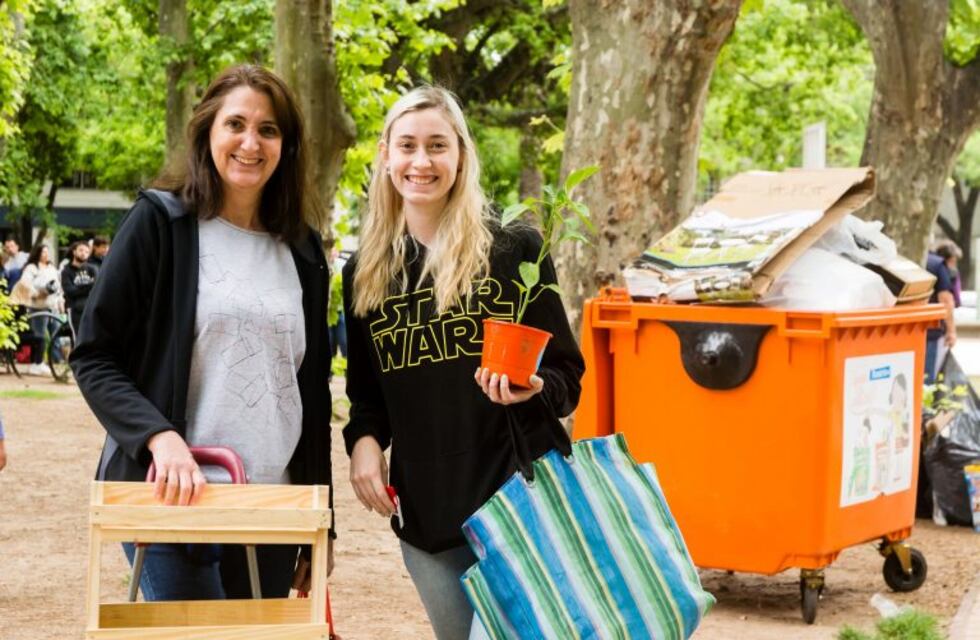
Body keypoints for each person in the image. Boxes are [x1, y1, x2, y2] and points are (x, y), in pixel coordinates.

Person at [70, 64, 333, 602]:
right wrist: (158, 436)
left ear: (286, 145)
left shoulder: (304, 251)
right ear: (208, 131)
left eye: (269, 129)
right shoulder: (159, 224)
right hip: (174, 497)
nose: (250, 142)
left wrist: (320, 524)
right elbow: (94, 355)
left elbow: (311, 394)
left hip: (272, 509)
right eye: (235, 124)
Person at [343, 86, 584, 640]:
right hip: (426, 512)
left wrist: (532, 388)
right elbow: (366, 397)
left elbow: (566, 376)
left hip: (520, 498)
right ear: (385, 155)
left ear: (461, 156)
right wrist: (363, 443)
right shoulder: (365, 272)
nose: (421, 161)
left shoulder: (514, 248)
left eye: (437, 145)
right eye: (407, 146)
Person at [20, 244, 63, 376]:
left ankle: (55, 361)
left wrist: (60, 300)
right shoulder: (31, 268)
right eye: (43, 252)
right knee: (40, 336)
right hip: (38, 307)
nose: (45, 254)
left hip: (52, 306)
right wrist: (36, 293)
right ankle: (37, 363)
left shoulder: (52, 268)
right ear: (37, 253)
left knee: (56, 333)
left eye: (47, 252)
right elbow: (24, 284)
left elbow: (58, 286)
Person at [925, 240, 961, 383]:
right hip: (932, 331)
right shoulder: (938, 265)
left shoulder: (921, 260)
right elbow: (945, 300)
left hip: (908, 330)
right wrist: (951, 331)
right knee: (927, 380)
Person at [61, 240, 98, 335]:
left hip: (91, 309)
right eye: (81, 250)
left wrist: (80, 288)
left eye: (86, 252)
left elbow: (98, 288)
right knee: (77, 338)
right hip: (74, 311)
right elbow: (70, 291)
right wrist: (89, 286)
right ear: (74, 251)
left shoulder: (92, 269)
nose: (83, 253)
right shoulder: (66, 271)